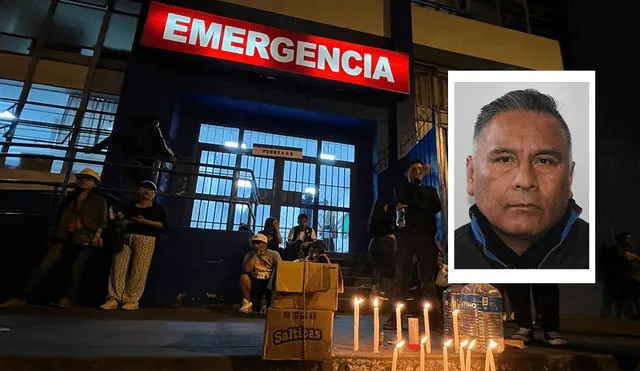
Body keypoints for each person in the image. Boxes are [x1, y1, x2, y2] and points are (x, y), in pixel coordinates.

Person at [455, 89, 588, 269]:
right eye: (504, 159)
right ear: (471, 175)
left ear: (569, 176)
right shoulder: (448, 258)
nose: (525, 181)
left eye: (544, 161)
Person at [0, 168, 107, 309]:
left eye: (88, 179)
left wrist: (97, 235)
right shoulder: (69, 198)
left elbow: (102, 221)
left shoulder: (99, 200)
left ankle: (65, 298)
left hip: (84, 236)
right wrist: (52, 236)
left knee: (76, 269)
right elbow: (57, 218)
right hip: (63, 235)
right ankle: (22, 297)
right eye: (82, 178)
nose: (83, 181)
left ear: (95, 184)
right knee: (44, 266)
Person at [385, 158, 442, 330]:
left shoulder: (430, 190)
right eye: (413, 170)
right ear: (406, 173)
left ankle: (433, 318)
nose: (417, 172)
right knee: (401, 278)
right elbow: (405, 197)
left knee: (427, 280)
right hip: (405, 237)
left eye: (419, 169)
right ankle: (396, 317)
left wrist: (415, 205)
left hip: (426, 237)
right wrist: (421, 203)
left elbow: (436, 206)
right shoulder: (402, 187)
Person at [100, 180, 167, 311]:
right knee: (118, 267)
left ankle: (132, 299)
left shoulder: (157, 208)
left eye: (150, 189)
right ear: (139, 191)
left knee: (139, 269)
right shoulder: (129, 206)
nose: (146, 191)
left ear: (154, 193)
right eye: (144, 188)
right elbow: (118, 222)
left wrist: (145, 221)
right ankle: (113, 298)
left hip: (146, 239)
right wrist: (122, 219)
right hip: (125, 237)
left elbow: (162, 225)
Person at [83, 113, 177, 191]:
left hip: (128, 162)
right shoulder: (153, 129)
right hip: (145, 164)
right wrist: (170, 156)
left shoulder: (127, 128)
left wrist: (93, 149)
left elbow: (111, 140)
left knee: (129, 188)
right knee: (148, 188)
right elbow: (160, 144)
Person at [239, 233, 281, 313]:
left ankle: (272, 306)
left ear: (265, 244)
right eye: (254, 243)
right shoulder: (249, 255)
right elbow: (247, 269)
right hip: (255, 281)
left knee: (278, 279)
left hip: (269, 282)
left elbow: (281, 269)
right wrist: (255, 255)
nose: (255, 245)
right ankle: (247, 304)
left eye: (258, 243)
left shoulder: (274, 254)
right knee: (243, 277)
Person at [367, 199, 395, 299]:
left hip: (374, 245)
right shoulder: (386, 219)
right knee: (389, 269)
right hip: (386, 244)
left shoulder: (373, 220)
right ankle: (385, 290)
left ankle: (378, 289)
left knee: (379, 268)